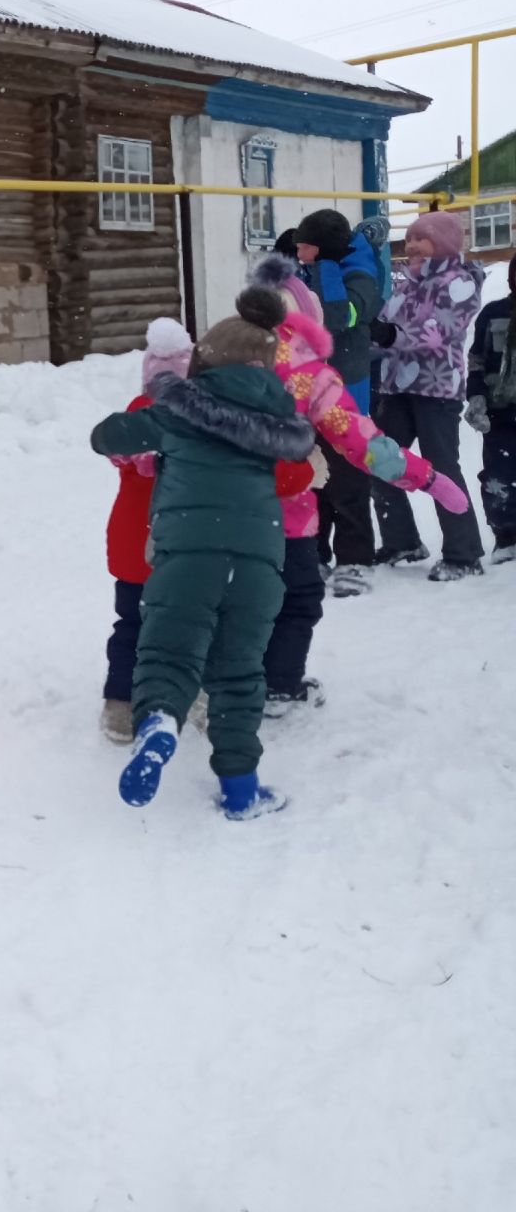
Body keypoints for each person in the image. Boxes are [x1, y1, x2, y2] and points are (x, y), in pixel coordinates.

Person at [90, 287, 315, 820]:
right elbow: (296, 476)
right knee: (240, 673)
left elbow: (107, 437)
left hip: (187, 558)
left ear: (203, 363)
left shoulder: (177, 414)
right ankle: (240, 790)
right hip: (258, 565)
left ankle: (160, 725)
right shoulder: (280, 432)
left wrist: (156, 404)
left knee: (168, 653)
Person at [249, 252, 465, 715]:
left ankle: (221, 679)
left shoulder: (218, 352)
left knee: (231, 596)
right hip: (283, 511)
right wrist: (426, 477)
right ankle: (277, 687)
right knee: (297, 597)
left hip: (209, 508)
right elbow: (362, 443)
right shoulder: (309, 373)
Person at [371, 211, 487, 580]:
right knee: (379, 459)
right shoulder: (407, 285)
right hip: (397, 385)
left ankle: (463, 553)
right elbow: (385, 326)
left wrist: (390, 336)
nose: (412, 247)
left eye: (422, 239)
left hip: (437, 389)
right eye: (409, 240)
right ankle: (402, 541)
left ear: (445, 243)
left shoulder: (459, 282)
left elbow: (440, 332)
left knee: (440, 466)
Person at [99, 319, 195, 743]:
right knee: (182, 623)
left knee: (133, 625)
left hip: (137, 545)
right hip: (171, 545)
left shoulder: (136, 412)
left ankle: (122, 702)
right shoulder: (191, 419)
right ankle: (138, 700)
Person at [291, 211, 385, 596]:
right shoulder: (306, 272)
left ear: (325, 246)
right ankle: (315, 553)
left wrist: (327, 266)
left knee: (347, 479)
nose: (298, 250)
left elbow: (335, 316)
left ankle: (356, 561)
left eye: (305, 243)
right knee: (312, 477)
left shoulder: (360, 274)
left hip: (347, 394)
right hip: (307, 392)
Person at [465, 280, 516, 563]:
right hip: (501, 411)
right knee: (499, 476)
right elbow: (476, 360)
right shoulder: (493, 313)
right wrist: (476, 395)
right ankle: (507, 536)